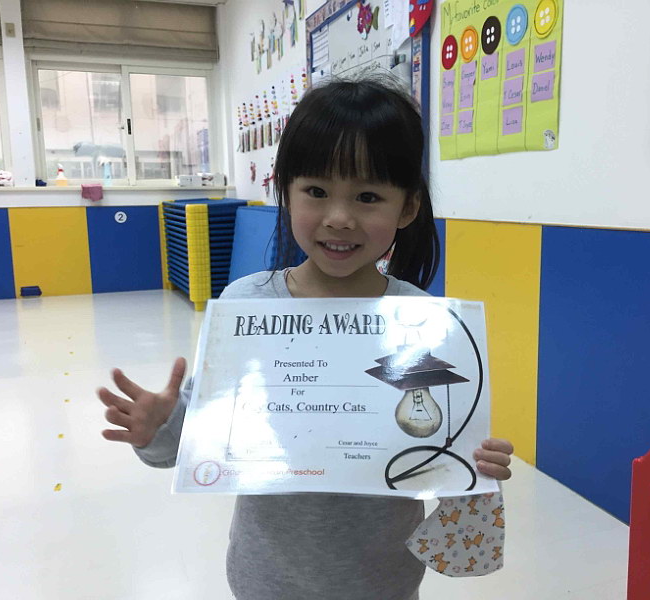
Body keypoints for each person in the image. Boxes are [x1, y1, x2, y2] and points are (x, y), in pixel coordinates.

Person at [97, 77, 514, 600]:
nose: (339, 218)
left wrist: (474, 467)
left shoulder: (418, 321)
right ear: (286, 191)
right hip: (266, 577)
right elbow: (201, 439)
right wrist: (161, 426)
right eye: (316, 192)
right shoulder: (248, 305)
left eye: (368, 196)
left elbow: (435, 447)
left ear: (407, 208)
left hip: (381, 582)